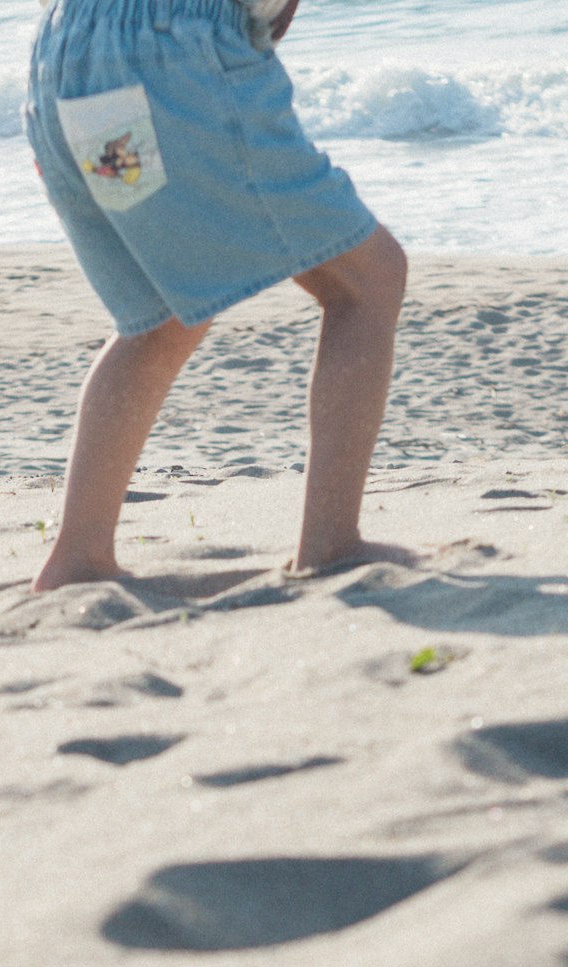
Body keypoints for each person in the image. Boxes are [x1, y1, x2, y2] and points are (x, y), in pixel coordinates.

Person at [24, 0, 415, 590]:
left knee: (164, 315)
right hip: (170, 51)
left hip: (65, 54)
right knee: (369, 279)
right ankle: (332, 543)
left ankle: (79, 555)